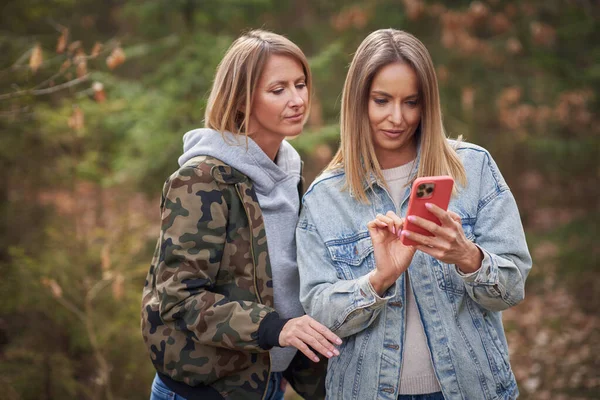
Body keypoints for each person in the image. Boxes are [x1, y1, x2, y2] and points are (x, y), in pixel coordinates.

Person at [297, 29, 532, 400]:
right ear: (359, 102)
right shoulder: (324, 199)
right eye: (381, 100)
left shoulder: (473, 168)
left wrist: (467, 257)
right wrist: (378, 280)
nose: (397, 117)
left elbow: (513, 286)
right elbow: (321, 316)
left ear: (428, 104)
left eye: (411, 102)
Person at [141, 29, 341, 400]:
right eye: (278, 90)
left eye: (300, 84)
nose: (297, 99)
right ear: (240, 100)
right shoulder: (201, 179)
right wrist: (273, 329)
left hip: (266, 384)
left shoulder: (288, 170)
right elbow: (179, 298)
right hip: (203, 391)